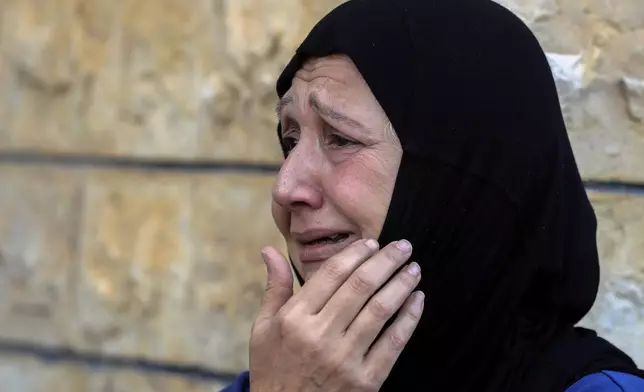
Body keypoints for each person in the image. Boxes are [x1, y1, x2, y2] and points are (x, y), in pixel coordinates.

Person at [221, 0, 644, 391]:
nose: (286, 187)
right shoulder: (279, 378)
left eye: (341, 139)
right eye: (290, 139)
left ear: (462, 180)